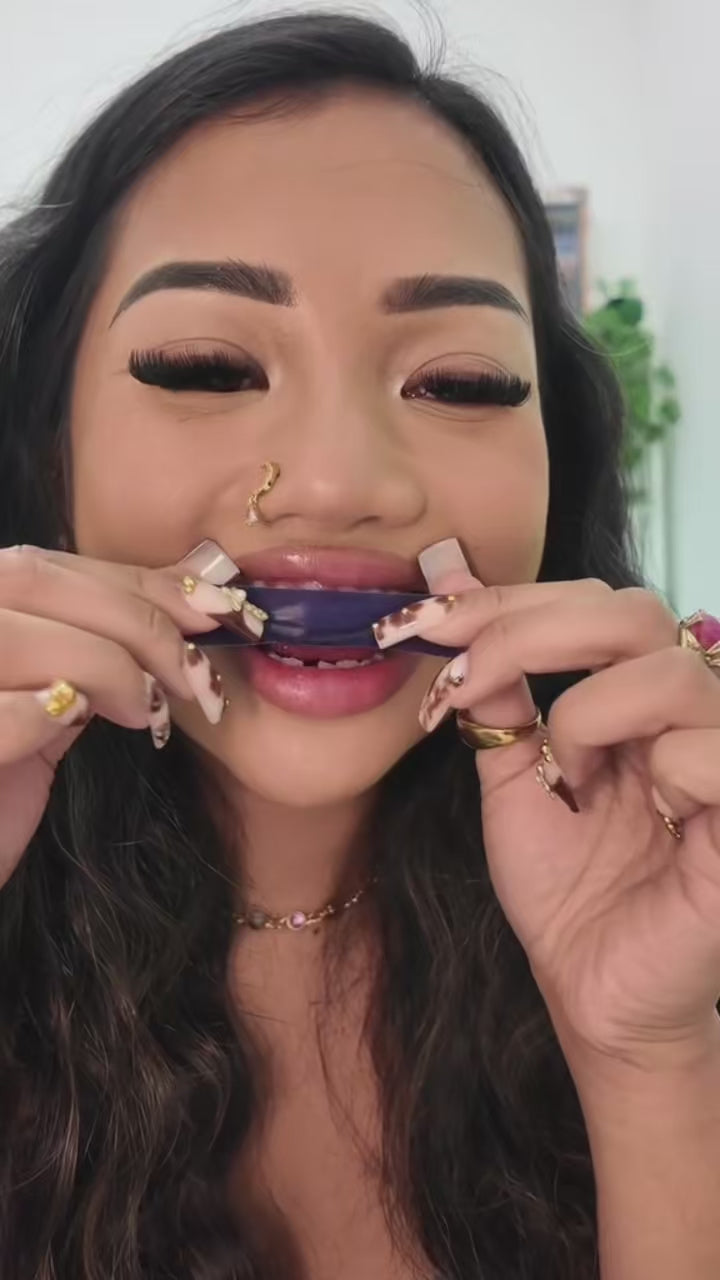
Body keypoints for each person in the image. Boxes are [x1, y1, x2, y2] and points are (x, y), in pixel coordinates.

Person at [0, 11, 718, 1280]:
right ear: (48, 445)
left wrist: (653, 1062)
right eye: (206, 365)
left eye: (461, 382)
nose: (338, 482)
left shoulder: (681, 910)